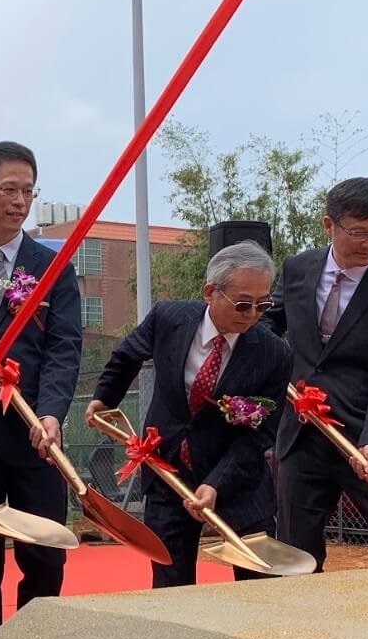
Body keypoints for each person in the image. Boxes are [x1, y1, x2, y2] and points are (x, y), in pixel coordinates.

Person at [87, 241, 292, 587]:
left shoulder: (274, 354)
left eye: (263, 304)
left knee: (259, 583)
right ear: (211, 292)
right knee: (170, 581)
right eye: (243, 303)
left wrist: (215, 483)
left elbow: (260, 434)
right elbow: (127, 356)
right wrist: (103, 400)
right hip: (169, 469)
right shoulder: (169, 318)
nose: (253, 314)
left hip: (237, 476)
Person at [264, 176, 368, 570]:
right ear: (329, 225)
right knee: (295, 552)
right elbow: (269, 325)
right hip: (302, 437)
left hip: (365, 439)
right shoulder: (299, 268)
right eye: (359, 233)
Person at [0, 142, 83, 639]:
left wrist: (52, 413)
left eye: (28, 192)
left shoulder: (52, 265)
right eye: (8, 189)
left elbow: (64, 347)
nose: (19, 201)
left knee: (43, 551)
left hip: (34, 433)